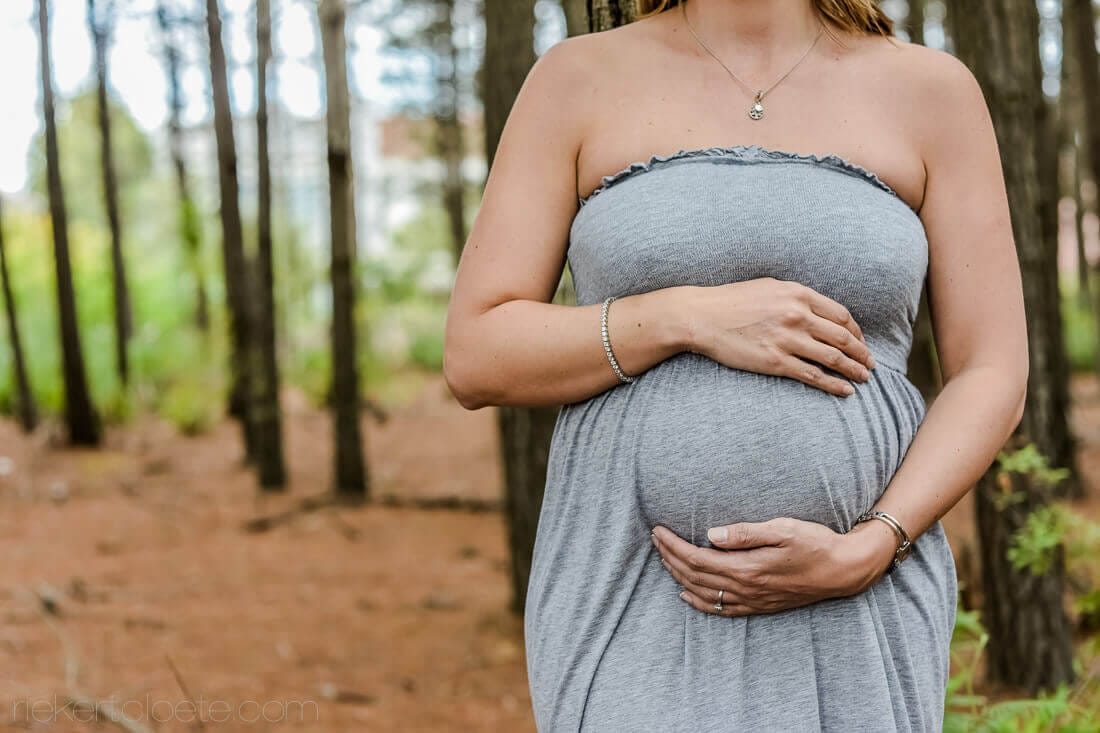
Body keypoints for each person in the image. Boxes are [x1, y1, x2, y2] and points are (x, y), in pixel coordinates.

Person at [443, 0, 1028, 729]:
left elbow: (992, 370)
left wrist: (873, 543)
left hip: (862, 592)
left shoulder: (931, 91)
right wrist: (687, 317)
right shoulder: (576, 79)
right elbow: (476, 351)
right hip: (634, 584)